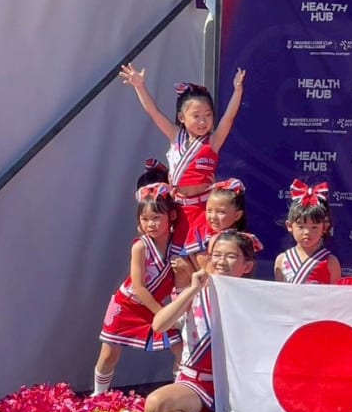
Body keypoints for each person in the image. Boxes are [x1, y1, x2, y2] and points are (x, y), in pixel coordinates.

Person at [144, 230, 261, 412]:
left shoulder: (254, 300)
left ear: (247, 266)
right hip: (194, 383)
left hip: (233, 388)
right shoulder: (195, 293)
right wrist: (192, 290)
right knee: (155, 407)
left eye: (231, 256)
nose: (221, 261)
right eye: (216, 254)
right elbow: (159, 325)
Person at [119, 64, 246, 251]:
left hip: (203, 209)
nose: (203, 121)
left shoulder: (213, 140)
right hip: (178, 210)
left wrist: (238, 89)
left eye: (208, 115)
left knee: (203, 258)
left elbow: (229, 117)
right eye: (196, 116)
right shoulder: (175, 135)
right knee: (179, 263)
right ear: (182, 117)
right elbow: (154, 112)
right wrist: (140, 86)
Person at [92, 182, 183, 394]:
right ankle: (98, 395)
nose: (151, 224)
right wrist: (164, 313)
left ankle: (179, 394)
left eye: (156, 218)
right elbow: (139, 287)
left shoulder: (178, 245)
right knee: (109, 354)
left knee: (180, 348)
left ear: (171, 217)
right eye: (145, 219)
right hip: (128, 305)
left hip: (156, 307)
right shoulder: (140, 246)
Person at [274, 180, 341, 285]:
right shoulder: (282, 260)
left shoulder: (330, 262)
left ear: (324, 227)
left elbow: (334, 296)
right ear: (290, 226)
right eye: (301, 226)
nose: (307, 232)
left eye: (314, 227)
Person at [184, 177, 248, 270]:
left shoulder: (242, 242)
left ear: (237, 215)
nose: (213, 217)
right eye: (209, 211)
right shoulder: (202, 233)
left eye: (221, 212)